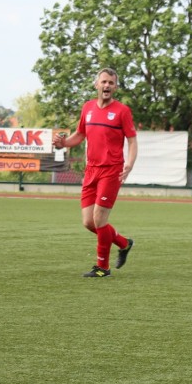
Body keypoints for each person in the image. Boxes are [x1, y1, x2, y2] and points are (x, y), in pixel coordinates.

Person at [52, 67, 137, 278]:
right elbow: (80, 134)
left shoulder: (122, 111)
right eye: (104, 82)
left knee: (99, 219)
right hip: (91, 170)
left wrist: (130, 164)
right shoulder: (87, 108)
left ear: (115, 87)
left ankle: (102, 268)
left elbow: (132, 140)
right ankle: (123, 243)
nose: (107, 85)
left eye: (111, 83)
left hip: (111, 170)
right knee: (88, 222)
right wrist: (63, 144)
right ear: (96, 84)